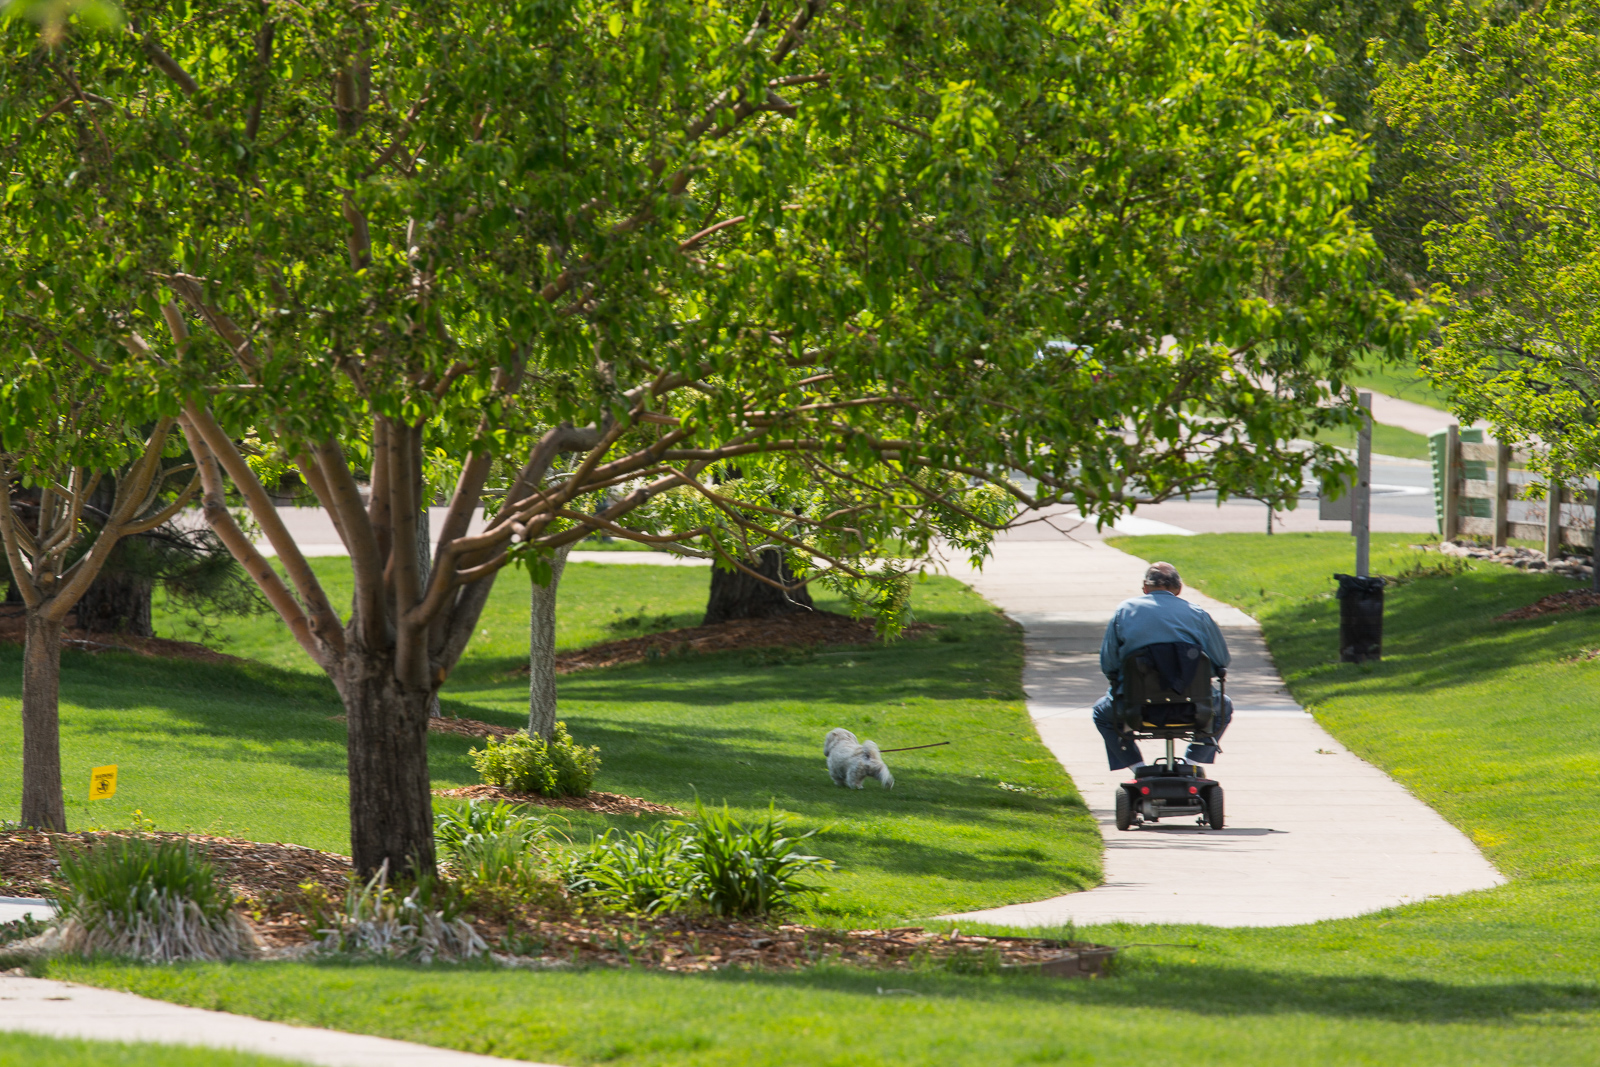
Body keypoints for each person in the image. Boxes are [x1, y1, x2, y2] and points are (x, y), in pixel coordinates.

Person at [1091, 561, 1233, 771]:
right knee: (1225, 707)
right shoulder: (1198, 614)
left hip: (1136, 707)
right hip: (1193, 706)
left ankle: (1138, 768)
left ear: (1145, 588)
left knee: (1101, 713)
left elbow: (1109, 664)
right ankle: (1192, 765)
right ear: (1179, 588)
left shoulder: (1124, 611)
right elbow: (1220, 661)